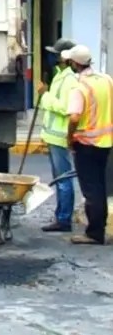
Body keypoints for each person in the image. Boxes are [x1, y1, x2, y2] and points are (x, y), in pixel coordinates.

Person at [64, 45, 112, 245]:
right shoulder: (107, 80)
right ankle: (98, 229)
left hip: (87, 144)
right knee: (100, 186)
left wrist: (69, 137)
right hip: (107, 142)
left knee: (92, 190)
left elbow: (75, 116)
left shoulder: (80, 87)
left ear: (75, 64)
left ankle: (94, 233)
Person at [36, 38, 78, 233]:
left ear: (65, 57)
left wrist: (44, 94)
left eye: (56, 53)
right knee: (60, 179)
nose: (52, 56)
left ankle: (63, 219)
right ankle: (61, 215)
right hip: (53, 136)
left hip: (60, 137)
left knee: (63, 180)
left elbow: (64, 108)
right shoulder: (60, 75)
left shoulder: (69, 80)